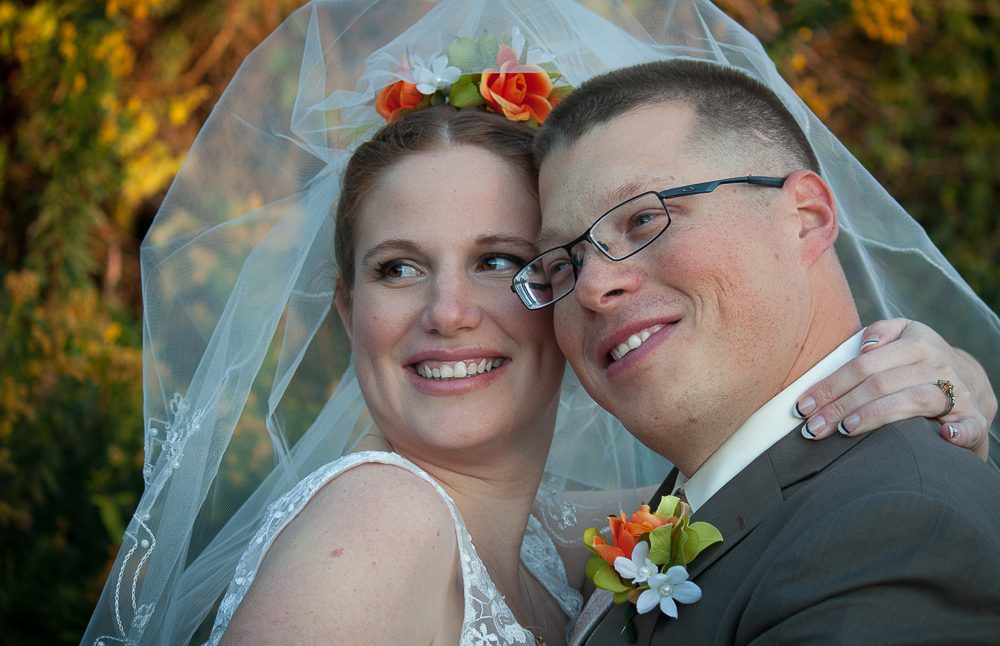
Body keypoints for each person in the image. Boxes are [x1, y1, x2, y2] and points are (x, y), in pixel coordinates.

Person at [79, 2, 1000, 646]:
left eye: (504, 263)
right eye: (398, 268)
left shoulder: (575, 541)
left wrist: (930, 373)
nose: (448, 313)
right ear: (348, 308)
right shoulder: (378, 524)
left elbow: (770, 486)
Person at [524, 58, 1000, 643]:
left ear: (805, 219)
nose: (592, 286)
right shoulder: (694, 504)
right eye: (562, 263)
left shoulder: (897, 527)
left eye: (644, 218)